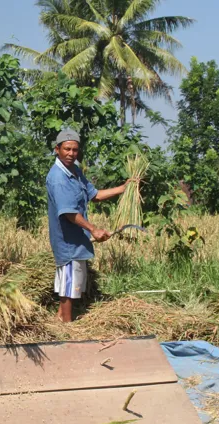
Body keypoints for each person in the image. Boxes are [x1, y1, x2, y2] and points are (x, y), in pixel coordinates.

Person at [46, 129, 130, 322]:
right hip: (67, 241)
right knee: (68, 284)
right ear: (57, 149)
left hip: (77, 239)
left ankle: (61, 319)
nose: (71, 154)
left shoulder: (74, 171)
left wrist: (124, 188)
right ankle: (66, 327)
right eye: (67, 149)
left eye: (75, 150)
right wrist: (94, 229)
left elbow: (95, 195)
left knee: (73, 281)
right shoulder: (59, 178)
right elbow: (68, 212)